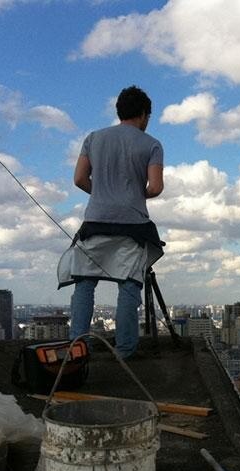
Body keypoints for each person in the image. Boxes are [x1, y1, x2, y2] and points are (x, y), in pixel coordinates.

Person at [65, 85, 165, 360]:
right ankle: (124, 352)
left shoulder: (94, 138)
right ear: (144, 114)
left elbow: (79, 179)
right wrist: (133, 193)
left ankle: (77, 350)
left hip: (95, 221)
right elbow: (155, 187)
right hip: (133, 226)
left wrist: (102, 193)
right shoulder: (152, 144)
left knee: (85, 284)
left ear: (120, 111)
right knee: (129, 286)